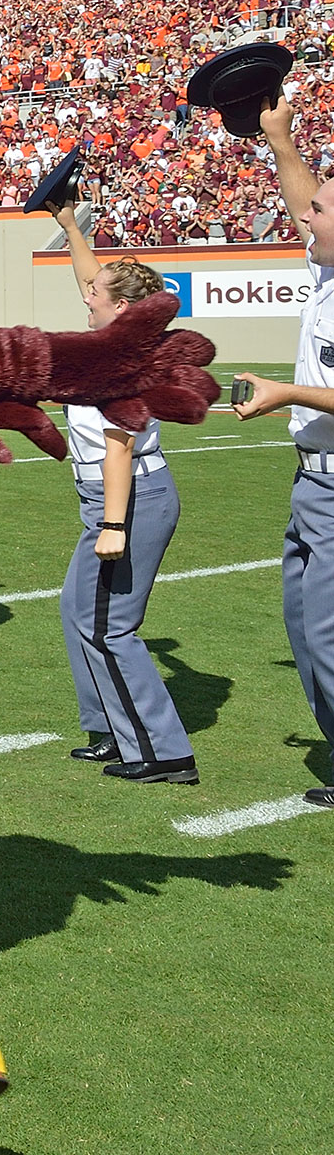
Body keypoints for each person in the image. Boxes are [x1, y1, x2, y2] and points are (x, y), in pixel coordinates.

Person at [44, 191, 197, 781]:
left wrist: (112, 524)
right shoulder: (121, 339)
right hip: (117, 498)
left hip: (129, 498)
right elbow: (97, 279)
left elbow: (119, 448)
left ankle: (162, 750)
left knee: (110, 625)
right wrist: (69, 225)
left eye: (95, 295)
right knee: (78, 611)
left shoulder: (120, 363)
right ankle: (111, 727)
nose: (86, 295)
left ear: (123, 308)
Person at [226, 90, 334, 808]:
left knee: (326, 636)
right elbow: (303, 197)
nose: (305, 215)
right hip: (311, 484)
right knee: (304, 628)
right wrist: (281, 141)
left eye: (321, 212)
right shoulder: (328, 271)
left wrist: (288, 394)